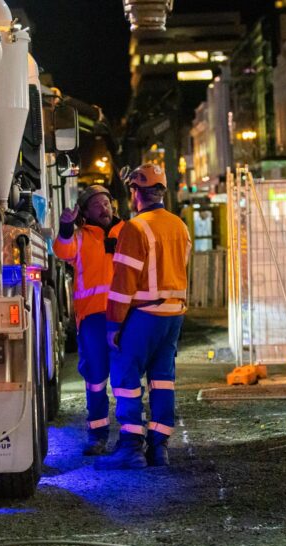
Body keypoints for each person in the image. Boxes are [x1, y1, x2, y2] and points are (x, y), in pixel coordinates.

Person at [95, 164, 191, 470]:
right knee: (163, 379)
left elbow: (124, 283)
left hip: (144, 313)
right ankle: (159, 447)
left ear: (136, 193)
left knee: (125, 376)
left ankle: (130, 447)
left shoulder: (135, 228)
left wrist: (113, 324)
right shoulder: (179, 226)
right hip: (173, 313)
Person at [54, 185, 124, 455]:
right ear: (85, 213)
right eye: (96, 205)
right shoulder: (81, 237)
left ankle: (131, 436)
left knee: (125, 376)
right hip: (93, 317)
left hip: (124, 315)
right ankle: (97, 435)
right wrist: (65, 227)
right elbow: (62, 251)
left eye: (105, 203)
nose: (103, 208)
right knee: (95, 377)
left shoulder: (126, 231)